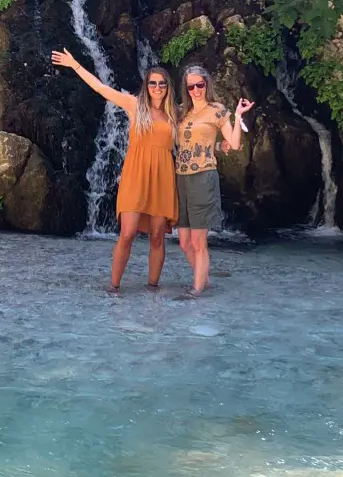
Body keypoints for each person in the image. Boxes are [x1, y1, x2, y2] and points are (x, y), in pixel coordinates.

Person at [51, 47, 179, 295]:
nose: (157, 87)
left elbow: (197, 132)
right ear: (146, 85)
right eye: (152, 83)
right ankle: (114, 286)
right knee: (128, 233)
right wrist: (75, 64)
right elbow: (101, 88)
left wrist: (222, 141)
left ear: (168, 87)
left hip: (163, 178)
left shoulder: (175, 114)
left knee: (156, 237)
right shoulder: (134, 105)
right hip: (135, 175)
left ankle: (153, 287)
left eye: (162, 84)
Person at [176, 65, 254, 297]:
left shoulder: (217, 111)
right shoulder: (181, 112)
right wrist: (217, 146)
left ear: (207, 85)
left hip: (203, 177)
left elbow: (235, 143)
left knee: (199, 241)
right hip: (180, 178)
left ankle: (197, 290)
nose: (195, 90)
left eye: (200, 84)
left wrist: (239, 116)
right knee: (183, 242)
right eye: (191, 86)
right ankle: (204, 277)